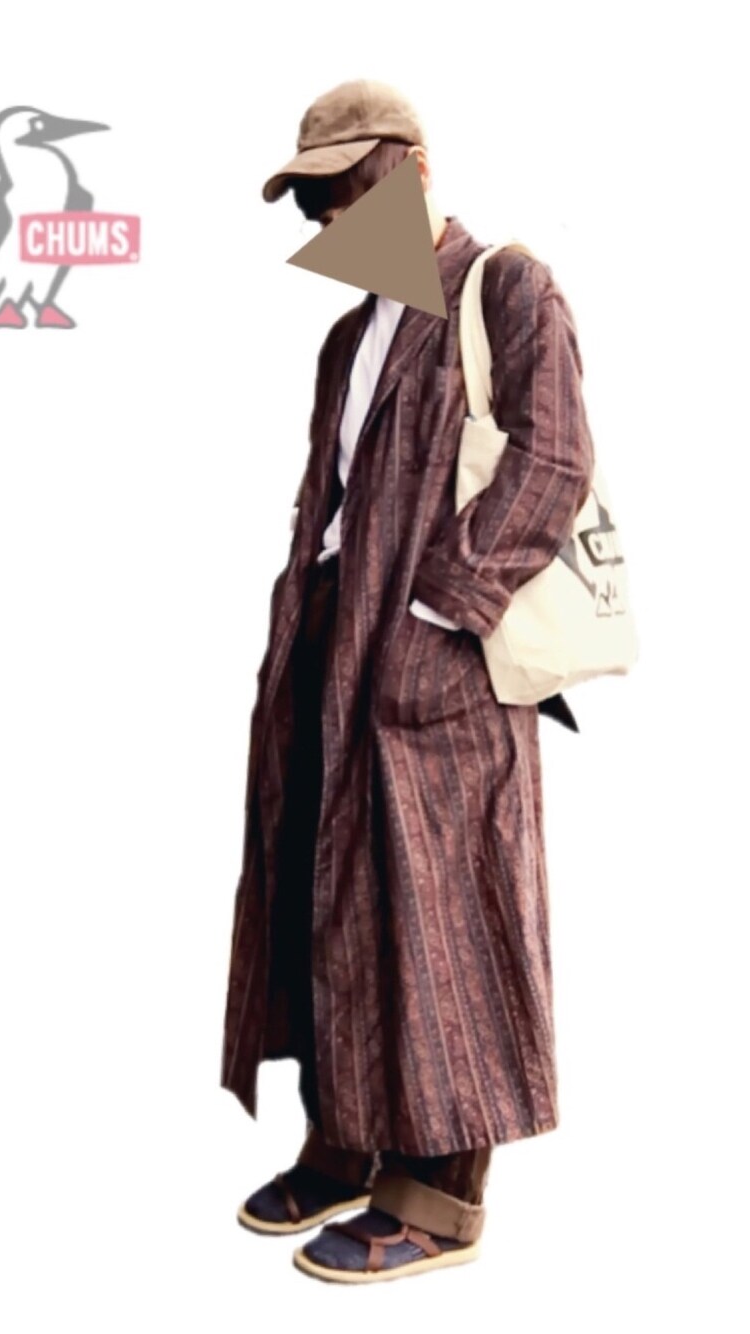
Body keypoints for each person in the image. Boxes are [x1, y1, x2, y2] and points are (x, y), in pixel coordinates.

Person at [221, 79, 596, 1284]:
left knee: (446, 916)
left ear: (414, 172)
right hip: (331, 645)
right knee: (330, 893)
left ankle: (438, 1196)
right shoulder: (349, 337)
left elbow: (552, 458)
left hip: (443, 660)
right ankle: (346, 1140)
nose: (332, 216)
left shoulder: (506, 287)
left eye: (347, 189)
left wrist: (441, 611)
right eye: (317, 202)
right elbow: (333, 499)